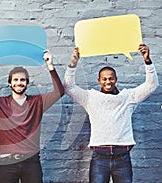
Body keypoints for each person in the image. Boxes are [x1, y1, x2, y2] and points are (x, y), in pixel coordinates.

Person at [64, 44, 159, 183]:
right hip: (99, 158)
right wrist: (73, 64)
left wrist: (147, 61)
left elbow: (152, 85)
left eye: (111, 78)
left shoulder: (128, 97)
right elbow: (69, 87)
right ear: (99, 81)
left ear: (116, 79)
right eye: (104, 79)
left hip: (123, 158)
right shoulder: (90, 98)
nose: (108, 81)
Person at [0, 50, 64, 183]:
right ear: (10, 83)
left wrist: (50, 66)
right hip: (7, 163)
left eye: (22, 80)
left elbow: (59, 91)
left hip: (31, 162)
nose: (19, 83)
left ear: (27, 83)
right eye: (15, 80)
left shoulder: (37, 103)